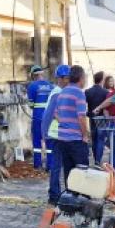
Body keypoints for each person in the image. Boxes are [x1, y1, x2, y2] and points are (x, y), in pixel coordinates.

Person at [50, 64, 91, 194]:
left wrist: (65, 123)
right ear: (81, 78)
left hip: (63, 138)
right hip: (76, 139)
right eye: (84, 77)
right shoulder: (79, 93)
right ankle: (82, 199)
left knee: (69, 171)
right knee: (82, 170)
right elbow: (81, 117)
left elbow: (55, 113)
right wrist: (85, 135)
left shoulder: (63, 92)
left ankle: (70, 199)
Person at [40, 64, 71, 203]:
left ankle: (57, 194)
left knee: (59, 165)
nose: (68, 80)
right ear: (60, 79)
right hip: (56, 134)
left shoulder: (60, 91)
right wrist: (45, 134)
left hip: (58, 134)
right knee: (56, 166)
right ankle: (54, 195)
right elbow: (51, 114)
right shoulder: (58, 93)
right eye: (67, 78)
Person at [26, 65, 53, 169]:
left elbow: (31, 104)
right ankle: (50, 165)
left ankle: (37, 165)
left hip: (38, 117)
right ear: (42, 74)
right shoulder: (51, 86)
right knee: (49, 142)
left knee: (37, 141)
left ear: (33, 75)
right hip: (49, 118)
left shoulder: (32, 86)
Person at [85, 70, 108, 162]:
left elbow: (83, 105)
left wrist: (88, 114)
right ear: (102, 80)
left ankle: (95, 159)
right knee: (100, 140)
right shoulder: (105, 92)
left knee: (94, 139)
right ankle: (98, 160)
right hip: (102, 118)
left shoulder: (88, 91)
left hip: (92, 117)